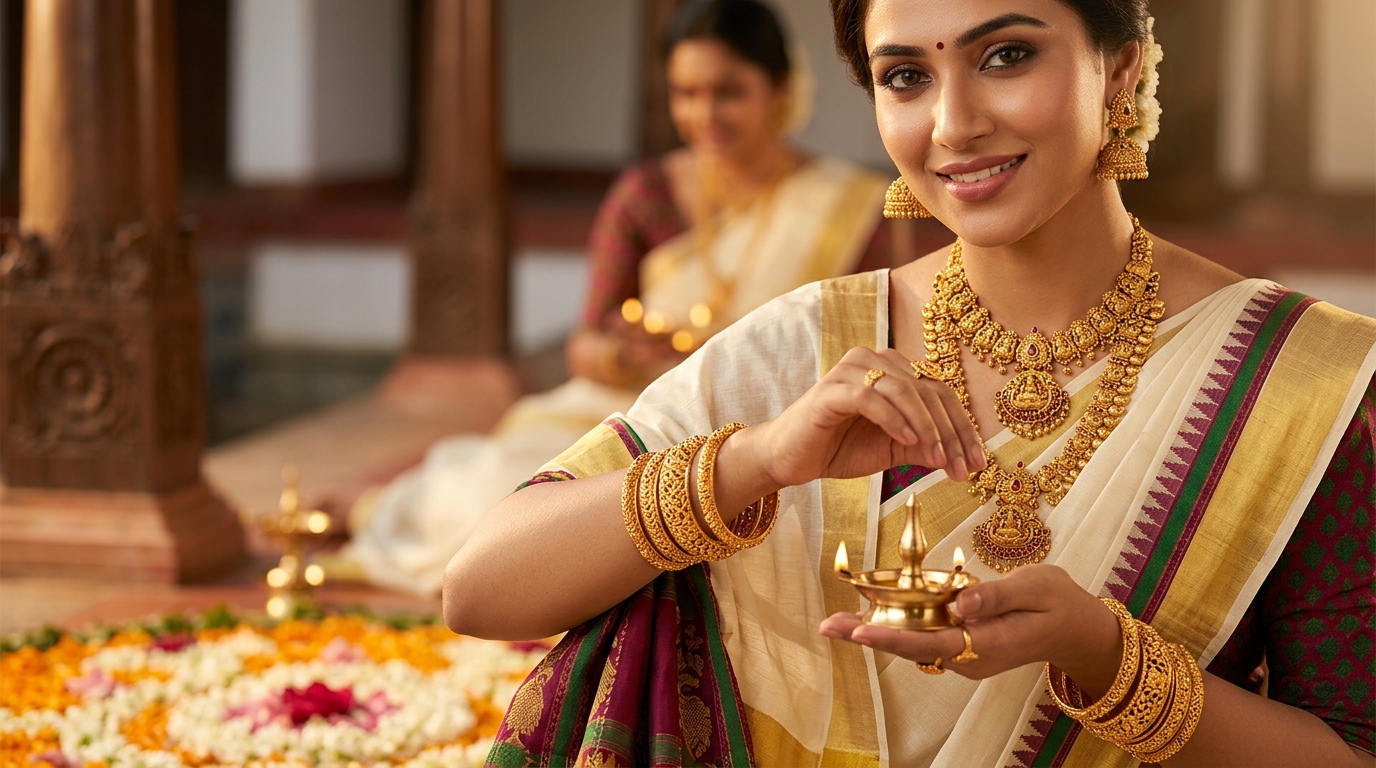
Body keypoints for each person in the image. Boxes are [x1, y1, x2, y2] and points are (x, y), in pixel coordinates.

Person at [447, 0, 1376, 765]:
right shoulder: (808, 346)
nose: (953, 124)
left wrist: (1101, 655)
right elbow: (481, 591)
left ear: (1122, 69)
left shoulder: (1293, 379)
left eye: (1007, 55)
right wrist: (755, 464)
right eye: (905, 77)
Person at [341, 0, 900, 594]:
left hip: (778, 427)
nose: (704, 112)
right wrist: (628, 359)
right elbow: (587, 343)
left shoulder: (849, 206)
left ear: (781, 88)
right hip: (637, 411)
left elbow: (858, 346)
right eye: (686, 92)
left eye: (728, 91)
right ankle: (369, 508)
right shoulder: (647, 194)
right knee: (504, 498)